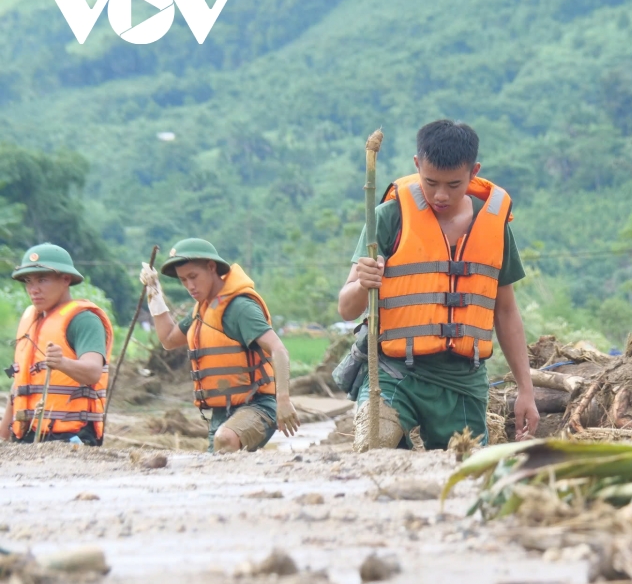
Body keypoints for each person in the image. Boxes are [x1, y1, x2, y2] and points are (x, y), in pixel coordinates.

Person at [337, 120, 538, 450]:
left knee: (464, 467)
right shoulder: (389, 217)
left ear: (474, 172)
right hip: (395, 373)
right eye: (430, 183)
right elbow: (346, 308)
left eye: (454, 184)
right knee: (374, 446)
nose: (440, 195)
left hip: (462, 381)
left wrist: (526, 389)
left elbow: (506, 312)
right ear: (417, 165)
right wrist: (363, 284)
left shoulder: (495, 227)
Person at [141, 238, 299, 452]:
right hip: (222, 414)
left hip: (258, 406)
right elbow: (169, 338)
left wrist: (283, 400)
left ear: (211, 267)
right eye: (183, 280)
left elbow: (279, 349)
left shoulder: (240, 307)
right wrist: (154, 293)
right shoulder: (203, 309)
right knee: (219, 464)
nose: (190, 286)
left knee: (225, 440)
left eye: (193, 277)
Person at [1, 244, 112, 445]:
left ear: (65, 279)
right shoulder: (32, 321)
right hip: (27, 436)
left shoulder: (83, 320)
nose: (34, 290)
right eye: (28, 281)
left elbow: (93, 371)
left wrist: (62, 363)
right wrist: (3, 433)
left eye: (42, 280)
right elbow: (18, 385)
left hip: (71, 437)